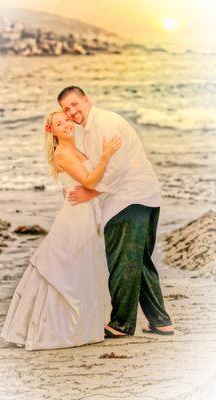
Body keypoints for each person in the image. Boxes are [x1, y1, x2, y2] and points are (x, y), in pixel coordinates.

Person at [0, 110, 123, 350]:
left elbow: (77, 183)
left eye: (67, 119)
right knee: (68, 265)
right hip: (75, 215)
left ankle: (83, 323)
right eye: (59, 123)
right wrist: (107, 155)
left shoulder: (77, 149)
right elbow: (89, 181)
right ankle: (56, 328)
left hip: (86, 212)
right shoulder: (63, 153)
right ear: (52, 131)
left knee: (83, 265)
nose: (66, 124)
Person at [58, 86, 174, 337]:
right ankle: (161, 321)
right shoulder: (89, 130)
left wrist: (91, 193)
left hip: (128, 200)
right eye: (66, 109)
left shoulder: (104, 123)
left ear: (86, 99)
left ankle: (121, 324)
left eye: (75, 104)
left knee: (122, 262)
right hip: (142, 197)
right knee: (138, 262)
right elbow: (96, 167)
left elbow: (117, 167)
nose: (72, 111)